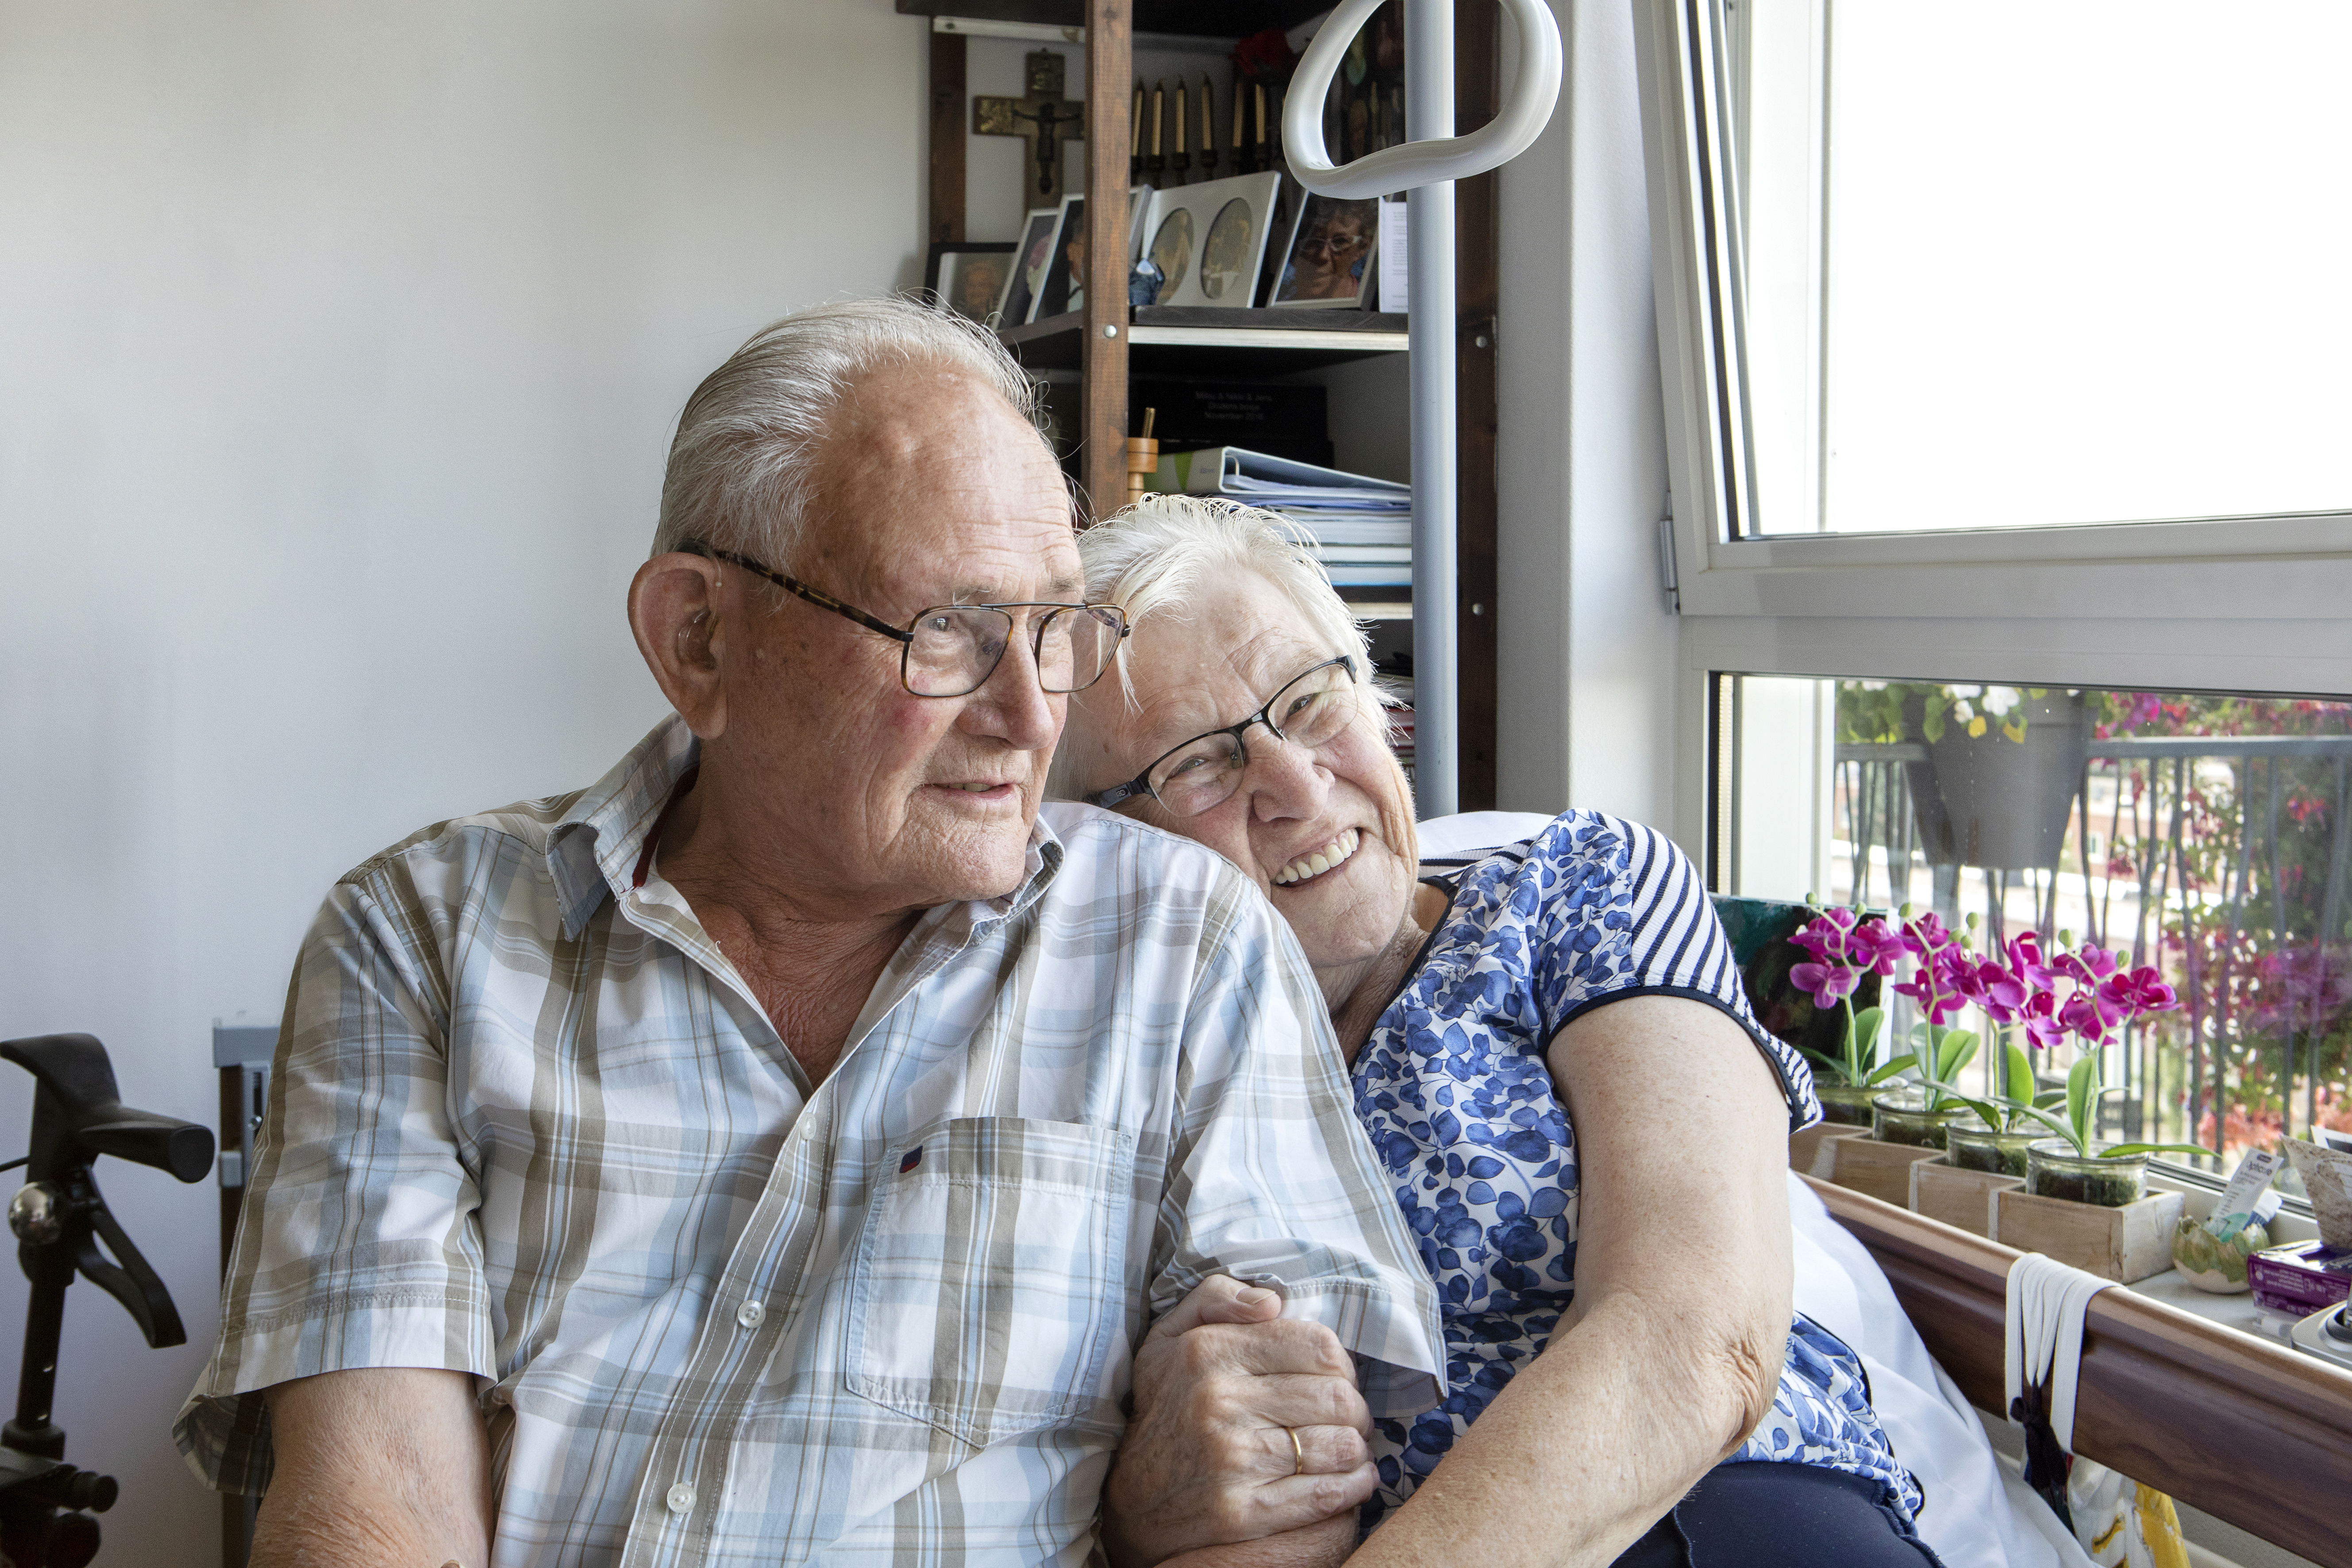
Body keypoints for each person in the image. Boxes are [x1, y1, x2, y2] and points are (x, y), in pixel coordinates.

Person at [175, 303, 1442, 1567]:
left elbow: (1275, 1495)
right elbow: (368, 1515)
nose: (1026, 714)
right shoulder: (425, 938)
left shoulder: (1180, 945)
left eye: (1055, 627)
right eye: (948, 629)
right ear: (699, 640)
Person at [1055, 497, 1938, 1568]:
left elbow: (1699, 1334)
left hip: (1729, 1512)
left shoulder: (1582, 890)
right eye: (1199, 763)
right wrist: (1146, 1509)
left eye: (1313, 698)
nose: (1294, 782)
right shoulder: (1092, 1062)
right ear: (1099, 844)